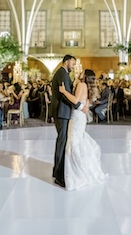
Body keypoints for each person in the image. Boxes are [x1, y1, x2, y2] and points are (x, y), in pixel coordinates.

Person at [58, 69, 107, 191]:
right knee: (79, 140)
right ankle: (84, 168)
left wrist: (64, 92)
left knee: (74, 141)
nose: (80, 72)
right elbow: (86, 103)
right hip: (82, 117)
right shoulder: (88, 87)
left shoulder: (81, 85)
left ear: (85, 76)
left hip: (77, 116)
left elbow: (75, 100)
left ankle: (77, 172)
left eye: (82, 72)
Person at [51, 55, 83, 188]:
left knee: (62, 140)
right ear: (66, 61)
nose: (74, 66)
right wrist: (78, 106)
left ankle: (56, 171)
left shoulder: (63, 73)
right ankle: (59, 175)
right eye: (73, 63)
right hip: (61, 111)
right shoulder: (62, 73)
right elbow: (65, 93)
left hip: (62, 111)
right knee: (62, 141)